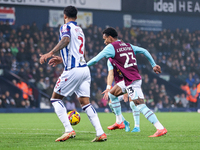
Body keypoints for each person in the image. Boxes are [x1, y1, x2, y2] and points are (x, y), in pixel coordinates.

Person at [39, 6, 106, 142]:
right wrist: (62, 59)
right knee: (85, 103)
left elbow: (66, 40)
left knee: (55, 99)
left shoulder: (65, 27)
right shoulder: (80, 30)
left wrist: (50, 53)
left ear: (64, 16)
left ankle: (68, 130)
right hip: (84, 69)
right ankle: (100, 133)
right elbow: (82, 53)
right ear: (76, 17)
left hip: (73, 70)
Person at [87, 27, 167, 137]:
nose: (104, 42)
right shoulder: (128, 46)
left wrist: (82, 66)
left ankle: (160, 128)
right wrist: (153, 65)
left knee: (140, 105)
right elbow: (144, 51)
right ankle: (119, 121)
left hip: (132, 81)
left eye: (105, 39)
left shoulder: (111, 47)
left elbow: (96, 59)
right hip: (129, 79)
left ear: (110, 38)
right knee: (112, 94)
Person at [103, 59, 140, 132]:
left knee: (133, 102)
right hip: (121, 86)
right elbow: (112, 75)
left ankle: (137, 126)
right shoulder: (111, 62)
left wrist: (126, 93)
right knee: (111, 103)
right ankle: (124, 122)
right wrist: (109, 88)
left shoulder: (123, 59)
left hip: (132, 83)